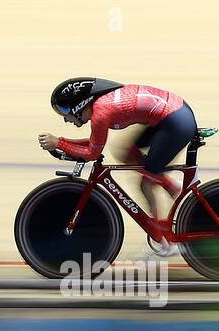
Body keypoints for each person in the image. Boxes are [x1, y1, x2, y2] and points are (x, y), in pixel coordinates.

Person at [40, 78, 197, 252]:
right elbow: (93, 144)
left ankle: (165, 241)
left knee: (145, 183)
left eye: (64, 110)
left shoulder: (101, 113)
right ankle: (170, 187)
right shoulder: (101, 105)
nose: (65, 118)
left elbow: (92, 153)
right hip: (172, 116)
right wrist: (60, 142)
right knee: (126, 153)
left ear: (80, 104)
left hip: (174, 122)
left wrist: (59, 143)